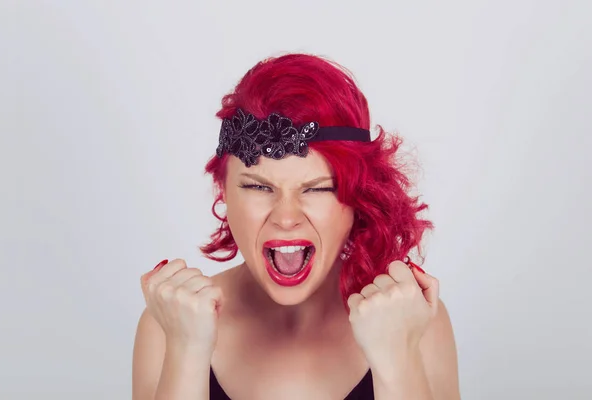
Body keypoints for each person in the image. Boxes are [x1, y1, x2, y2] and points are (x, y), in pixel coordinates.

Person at [132, 53, 460, 400]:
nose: (286, 218)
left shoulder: (417, 321)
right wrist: (186, 352)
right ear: (223, 191)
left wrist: (398, 360)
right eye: (258, 187)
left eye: (318, 188)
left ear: (357, 197)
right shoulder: (166, 324)